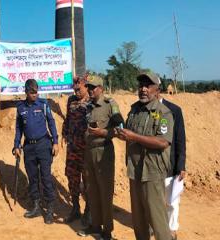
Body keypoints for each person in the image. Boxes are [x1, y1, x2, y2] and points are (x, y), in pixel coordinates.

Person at [117, 72, 174, 240]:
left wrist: (133, 137)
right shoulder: (134, 110)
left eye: (148, 86)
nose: (143, 89)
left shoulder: (164, 113)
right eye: (141, 85)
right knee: (139, 219)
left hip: (152, 172)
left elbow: (163, 142)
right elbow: (129, 133)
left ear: (157, 91)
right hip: (135, 171)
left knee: (157, 221)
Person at [77, 75, 124, 240]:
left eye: (93, 87)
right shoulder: (88, 106)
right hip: (89, 152)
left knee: (105, 192)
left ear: (101, 89)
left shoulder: (110, 104)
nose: (90, 90)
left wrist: (103, 132)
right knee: (92, 191)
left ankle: (107, 230)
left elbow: (120, 129)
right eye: (88, 87)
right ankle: (95, 225)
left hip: (104, 153)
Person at [13, 79, 59, 224]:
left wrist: (55, 142)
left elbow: (51, 122)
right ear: (26, 92)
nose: (35, 94)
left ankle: (50, 209)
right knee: (32, 178)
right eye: (32, 92)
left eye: (36, 92)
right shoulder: (20, 107)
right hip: (29, 147)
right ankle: (36, 207)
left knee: (46, 177)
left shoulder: (43, 104)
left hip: (44, 145)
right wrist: (16, 145)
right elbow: (19, 128)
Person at [62, 75, 91, 224]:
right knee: (72, 177)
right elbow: (68, 119)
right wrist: (64, 134)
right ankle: (75, 208)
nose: (76, 92)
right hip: (72, 147)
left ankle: (88, 211)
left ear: (86, 86)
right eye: (74, 89)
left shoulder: (92, 102)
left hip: (86, 149)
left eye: (79, 89)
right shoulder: (71, 101)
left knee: (87, 180)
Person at [158, 91, 186, 240]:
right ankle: (155, 226)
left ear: (157, 89)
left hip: (170, 164)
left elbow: (180, 139)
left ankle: (171, 229)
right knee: (154, 200)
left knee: (171, 200)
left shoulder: (174, 110)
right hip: (152, 167)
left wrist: (181, 165)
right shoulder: (145, 110)